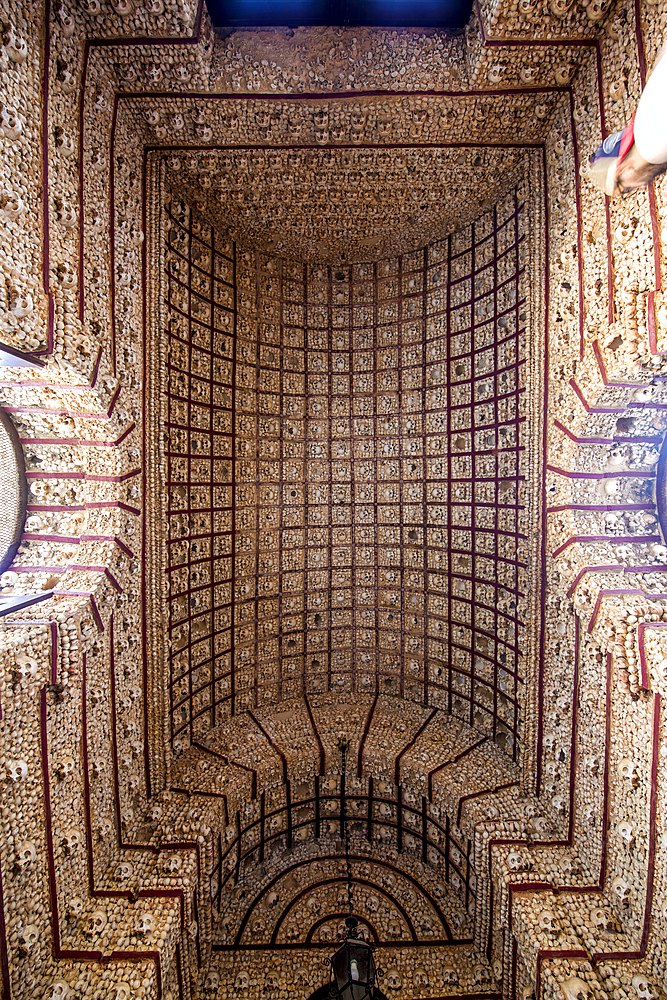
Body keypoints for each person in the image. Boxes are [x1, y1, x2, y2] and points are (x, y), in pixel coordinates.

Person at [590, 45, 667, 197]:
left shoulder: (655, 146)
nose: (643, 187)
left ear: (623, 169)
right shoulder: (644, 121)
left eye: (627, 189)